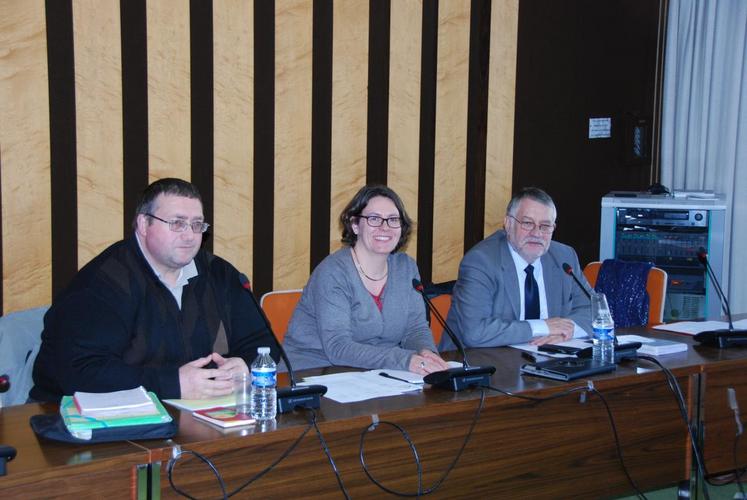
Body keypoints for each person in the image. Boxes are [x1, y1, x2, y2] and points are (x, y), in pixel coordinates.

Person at [31, 178, 278, 402]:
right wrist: (172, 384)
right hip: (86, 421)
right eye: (177, 223)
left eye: (197, 225)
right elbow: (76, 371)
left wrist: (243, 365)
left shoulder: (220, 274)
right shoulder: (102, 283)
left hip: (196, 415)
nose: (190, 236)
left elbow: (263, 343)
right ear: (143, 224)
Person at [283, 185, 449, 374]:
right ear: (355, 225)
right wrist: (404, 360)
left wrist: (426, 353)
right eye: (374, 219)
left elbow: (416, 329)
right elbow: (338, 348)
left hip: (374, 375)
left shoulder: (406, 268)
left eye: (393, 219)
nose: (384, 227)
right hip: (313, 374)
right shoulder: (333, 272)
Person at [443, 187, 592, 349]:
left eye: (545, 226)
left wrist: (565, 330)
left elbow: (596, 311)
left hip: (548, 357)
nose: (536, 233)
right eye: (528, 223)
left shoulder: (564, 257)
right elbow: (475, 332)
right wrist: (543, 327)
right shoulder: (481, 261)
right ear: (508, 224)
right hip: (481, 362)